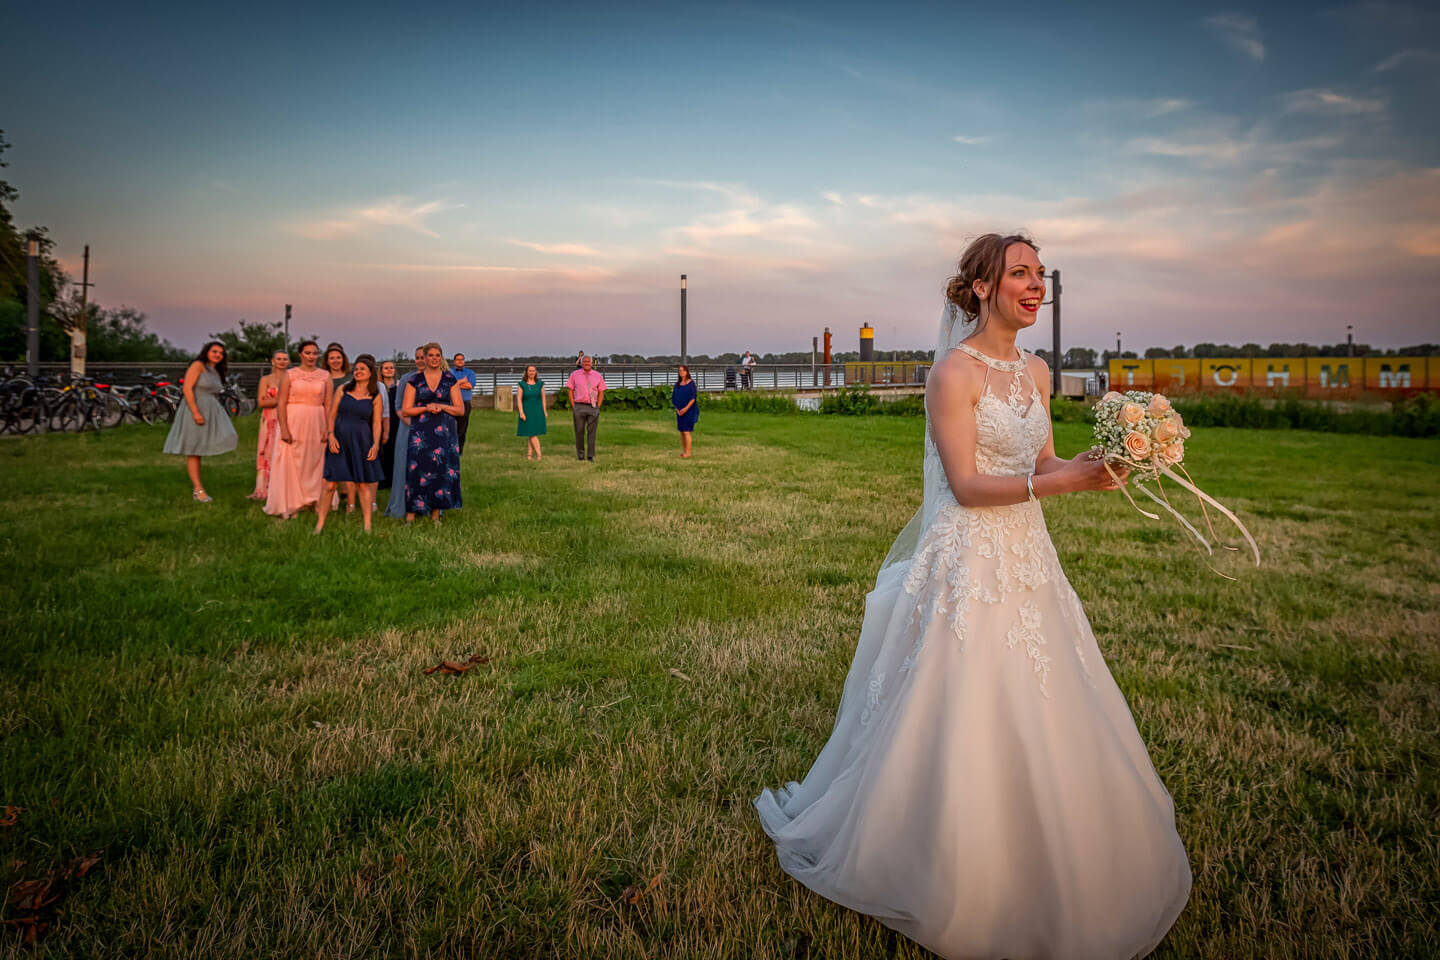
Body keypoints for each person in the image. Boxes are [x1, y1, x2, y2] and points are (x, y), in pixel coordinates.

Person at [754, 233, 1190, 959]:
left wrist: (1097, 465)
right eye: (1020, 273)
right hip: (970, 551)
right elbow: (965, 485)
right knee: (960, 693)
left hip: (1028, 551)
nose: (1034, 285)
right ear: (982, 287)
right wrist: (1058, 480)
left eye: (1039, 275)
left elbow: (1042, 460)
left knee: (1048, 687)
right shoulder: (953, 375)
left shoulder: (1039, 371)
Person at [162, 341, 238, 501]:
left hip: (211, 409)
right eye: (214, 351)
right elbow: (187, 388)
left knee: (228, 435)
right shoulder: (198, 365)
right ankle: (198, 490)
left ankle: (199, 487)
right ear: (207, 352)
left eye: (221, 353)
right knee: (195, 450)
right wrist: (195, 412)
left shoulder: (216, 371)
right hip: (195, 408)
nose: (218, 355)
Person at [316, 354, 384, 533]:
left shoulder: (375, 395)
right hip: (339, 440)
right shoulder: (343, 390)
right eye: (356, 368)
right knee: (330, 484)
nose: (358, 371)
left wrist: (375, 444)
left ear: (371, 373)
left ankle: (368, 526)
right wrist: (331, 436)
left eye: (363, 369)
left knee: (362, 484)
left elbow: (377, 422)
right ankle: (320, 524)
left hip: (362, 440)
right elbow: (332, 414)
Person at [264, 340, 331, 519]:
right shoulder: (290, 375)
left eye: (315, 353)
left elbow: (329, 405)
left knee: (314, 460)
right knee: (292, 459)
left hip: (317, 420)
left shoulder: (325, 376)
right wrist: (284, 428)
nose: (311, 357)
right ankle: (292, 501)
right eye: (308, 353)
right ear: (300, 354)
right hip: (294, 419)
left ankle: (314, 499)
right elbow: (281, 403)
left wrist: (329, 428)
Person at [401, 342, 464, 523]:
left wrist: (442, 406)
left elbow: (460, 410)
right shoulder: (415, 380)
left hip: (444, 432)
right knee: (417, 470)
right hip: (421, 432)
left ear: (441, 357)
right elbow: (406, 410)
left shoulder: (450, 379)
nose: (434, 358)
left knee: (439, 470)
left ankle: (435, 516)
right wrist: (426, 408)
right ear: (425, 357)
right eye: (430, 355)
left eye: (437, 355)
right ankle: (411, 516)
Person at [385, 346, 426, 520]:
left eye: (423, 356)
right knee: (404, 468)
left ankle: (427, 506)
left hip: (430, 430)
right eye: (417, 357)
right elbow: (398, 407)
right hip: (408, 428)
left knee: (428, 468)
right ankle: (402, 506)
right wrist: (414, 425)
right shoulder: (406, 379)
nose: (420, 360)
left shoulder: (438, 379)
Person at [249, 348, 289, 500]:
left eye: (285, 359)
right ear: (273, 361)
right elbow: (261, 402)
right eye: (279, 359)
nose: (282, 362)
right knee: (267, 452)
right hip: (269, 419)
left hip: (286, 418)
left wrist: (273, 400)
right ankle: (263, 488)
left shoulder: (291, 378)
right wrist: (282, 400)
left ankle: (282, 488)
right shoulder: (265, 380)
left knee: (283, 452)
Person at [566, 354, 606, 461]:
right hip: (579, 406)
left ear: (592, 363)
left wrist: (598, 406)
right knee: (579, 431)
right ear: (581, 363)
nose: (587, 363)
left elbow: (601, 391)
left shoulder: (598, 376)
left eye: (589, 361)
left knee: (592, 432)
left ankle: (590, 455)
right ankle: (580, 455)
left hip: (593, 406)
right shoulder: (575, 374)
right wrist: (573, 406)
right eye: (585, 361)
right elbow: (570, 389)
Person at [515, 364, 547, 459]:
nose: (532, 372)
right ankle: (539, 455)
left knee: (532, 433)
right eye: (530, 371)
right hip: (527, 411)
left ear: (536, 372)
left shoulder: (540, 384)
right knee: (532, 434)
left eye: (533, 370)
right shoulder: (522, 384)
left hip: (538, 411)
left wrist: (544, 411)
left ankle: (529, 455)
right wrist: (521, 412)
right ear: (526, 372)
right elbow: (519, 399)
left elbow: (543, 398)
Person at [449, 352, 477, 454]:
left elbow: (470, 385)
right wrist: (462, 382)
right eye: (458, 359)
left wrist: (455, 384)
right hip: (450, 403)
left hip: (465, 402)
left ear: (464, 361)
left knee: (462, 428)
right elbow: (447, 384)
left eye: (462, 359)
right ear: (454, 361)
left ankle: (459, 450)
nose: (460, 361)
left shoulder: (470, 372)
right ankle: (450, 448)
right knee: (449, 427)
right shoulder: (449, 372)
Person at [377, 360, 399, 490]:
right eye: (386, 368)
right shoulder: (378, 387)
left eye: (391, 367)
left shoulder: (399, 386)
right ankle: (382, 479)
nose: (389, 370)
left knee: (394, 449)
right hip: (382, 420)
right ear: (381, 370)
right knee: (382, 450)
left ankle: (393, 480)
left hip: (396, 421)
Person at [672, 364, 698, 458]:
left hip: (689, 410)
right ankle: (684, 452)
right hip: (679, 411)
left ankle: (688, 452)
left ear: (687, 372)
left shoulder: (691, 384)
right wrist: (677, 409)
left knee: (686, 431)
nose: (681, 372)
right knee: (682, 431)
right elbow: (674, 398)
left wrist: (686, 409)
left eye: (683, 370)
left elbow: (693, 398)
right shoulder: (677, 385)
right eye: (679, 370)